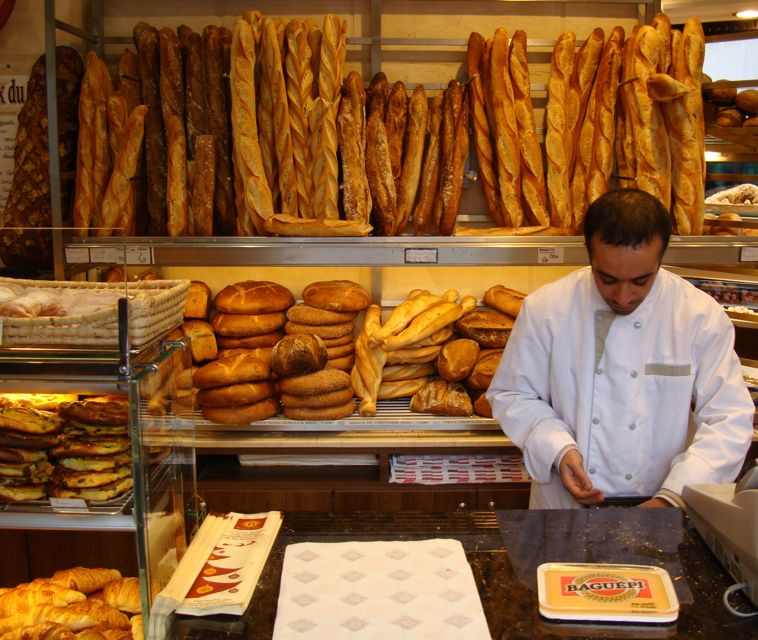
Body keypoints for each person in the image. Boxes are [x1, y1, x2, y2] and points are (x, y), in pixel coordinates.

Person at [486, 188, 755, 509]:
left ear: (661, 259)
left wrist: (673, 497)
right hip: (564, 509)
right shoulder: (546, 308)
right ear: (589, 254)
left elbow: (729, 418)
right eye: (607, 278)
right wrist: (558, 448)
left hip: (664, 507)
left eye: (641, 281)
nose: (623, 296)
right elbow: (513, 395)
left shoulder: (698, 315)